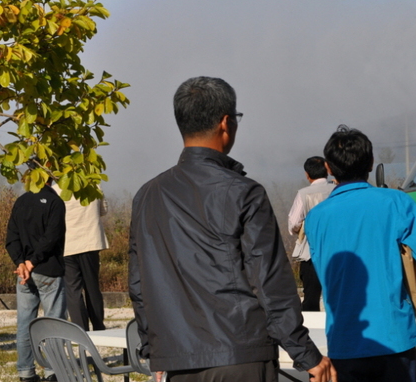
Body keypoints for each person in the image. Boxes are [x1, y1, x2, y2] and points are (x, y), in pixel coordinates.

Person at [128, 76, 335, 382]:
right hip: (242, 356)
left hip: (178, 363)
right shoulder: (244, 192)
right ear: (226, 123)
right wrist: (306, 355)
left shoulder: (147, 195)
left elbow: (139, 285)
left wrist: (154, 349)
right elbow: (268, 283)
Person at [305, 125, 416, 382]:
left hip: (344, 339)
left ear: (328, 168)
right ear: (371, 163)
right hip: (394, 336)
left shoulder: (316, 217)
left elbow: (321, 268)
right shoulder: (396, 202)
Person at [6, 178, 67, 382]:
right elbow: (52, 236)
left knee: (25, 323)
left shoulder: (21, 201)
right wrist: (32, 262)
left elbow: (11, 237)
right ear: (50, 177)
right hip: (48, 270)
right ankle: (52, 371)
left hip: (24, 273)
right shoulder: (55, 202)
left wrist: (20, 262)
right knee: (53, 322)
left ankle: (25, 372)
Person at [52, 183, 108, 331]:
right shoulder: (94, 185)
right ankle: (98, 326)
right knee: (93, 287)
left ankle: (81, 331)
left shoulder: (57, 189)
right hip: (91, 242)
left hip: (67, 244)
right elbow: (103, 211)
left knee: (73, 290)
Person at [288, 156, 335, 311]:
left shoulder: (304, 194)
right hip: (337, 248)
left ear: (307, 174)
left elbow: (294, 222)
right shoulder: (336, 189)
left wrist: (302, 229)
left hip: (311, 252)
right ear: (327, 170)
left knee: (311, 298)